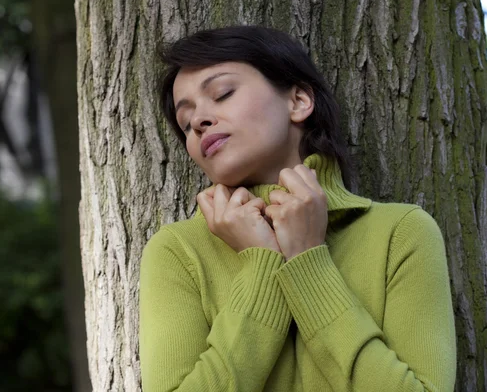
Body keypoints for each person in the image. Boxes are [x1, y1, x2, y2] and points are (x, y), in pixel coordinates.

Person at [139, 25, 456, 391]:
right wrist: (262, 263)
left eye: (222, 94)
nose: (198, 121)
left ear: (299, 101)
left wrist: (309, 261)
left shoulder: (402, 233)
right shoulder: (178, 251)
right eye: (185, 122)